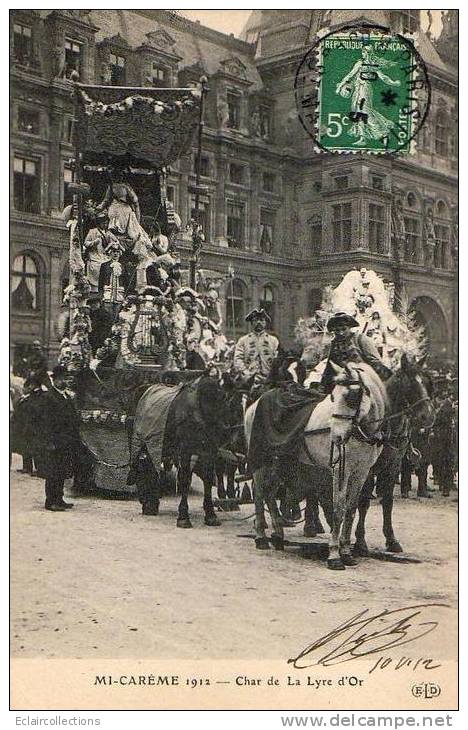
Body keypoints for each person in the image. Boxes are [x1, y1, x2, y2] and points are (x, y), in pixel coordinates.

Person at [36, 365, 81, 512]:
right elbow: (44, 422)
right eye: (61, 379)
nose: (64, 381)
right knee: (53, 472)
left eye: (65, 378)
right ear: (54, 380)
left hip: (66, 441)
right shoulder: (48, 397)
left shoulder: (66, 396)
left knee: (62, 471)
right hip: (55, 441)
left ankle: (59, 498)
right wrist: (49, 441)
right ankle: (51, 501)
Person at [321, 312, 392, 393]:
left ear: (350, 328)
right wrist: (324, 386)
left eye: (344, 329)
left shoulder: (361, 339)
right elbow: (330, 367)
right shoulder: (334, 344)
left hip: (365, 380)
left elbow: (375, 363)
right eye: (337, 330)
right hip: (344, 382)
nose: (341, 333)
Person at [233, 308, 279, 383]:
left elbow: (277, 360)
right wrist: (245, 373)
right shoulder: (243, 340)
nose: (258, 322)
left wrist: (272, 375)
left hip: (268, 379)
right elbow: (238, 359)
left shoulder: (273, 341)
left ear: (265, 323)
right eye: (255, 320)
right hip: (248, 379)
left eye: (261, 320)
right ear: (251, 323)